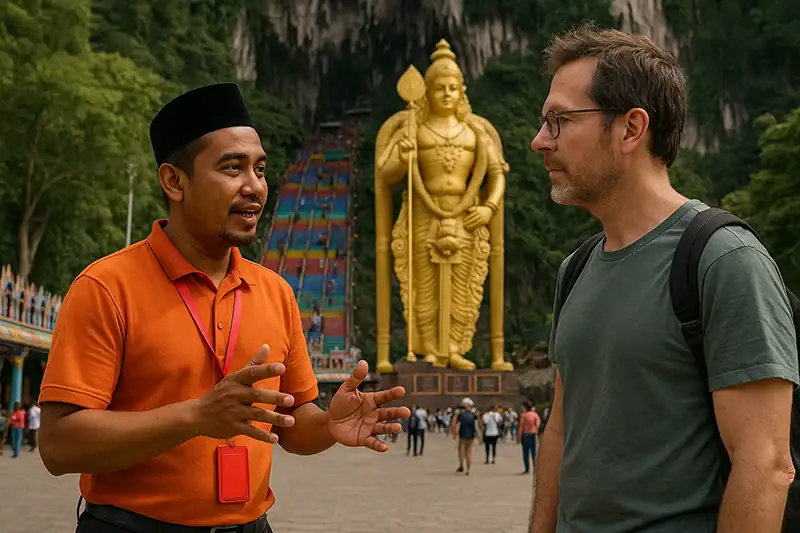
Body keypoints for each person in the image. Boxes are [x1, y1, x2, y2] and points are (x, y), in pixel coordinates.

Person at [37, 83, 410, 533]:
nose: (254, 186)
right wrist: (196, 416)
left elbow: (292, 426)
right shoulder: (107, 287)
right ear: (174, 181)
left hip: (251, 525)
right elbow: (58, 446)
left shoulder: (275, 291)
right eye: (232, 168)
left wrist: (330, 424)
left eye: (260, 169)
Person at [529, 23, 798, 533]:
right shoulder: (576, 269)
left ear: (632, 128)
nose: (540, 141)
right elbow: (560, 432)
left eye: (560, 120)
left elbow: (765, 464)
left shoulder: (723, 260)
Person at [452, 397, 478, 475]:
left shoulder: (460, 415)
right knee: (469, 452)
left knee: (461, 450)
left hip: (462, 435)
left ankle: (461, 464)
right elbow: (477, 426)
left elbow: (454, 424)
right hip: (471, 435)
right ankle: (468, 470)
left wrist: (454, 434)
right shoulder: (473, 415)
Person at [517, 402, 540, 475]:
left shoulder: (524, 415)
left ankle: (527, 469)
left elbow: (521, 426)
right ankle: (536, 468)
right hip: (533, 434)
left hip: (526, 435)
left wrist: (519, 437)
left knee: (526, 453)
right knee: (534, 453)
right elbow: (538, 424)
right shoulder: (535, 415)